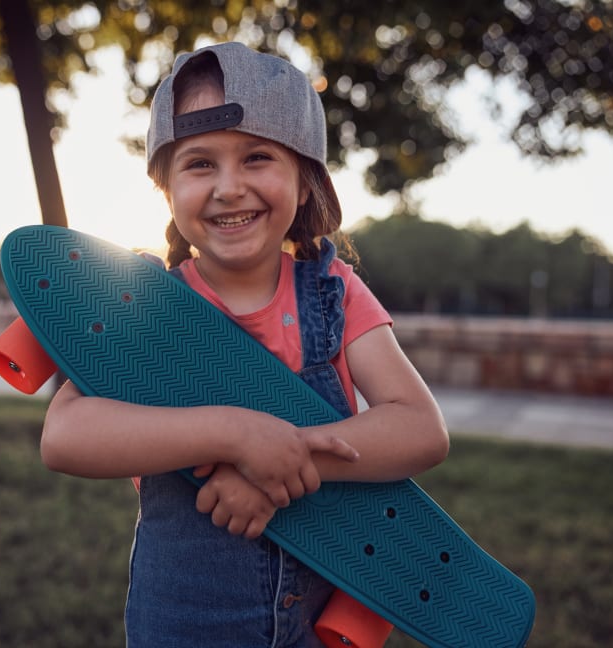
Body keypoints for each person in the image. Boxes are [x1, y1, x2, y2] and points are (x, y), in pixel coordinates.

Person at [41, 42, 449, 647]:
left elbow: (420, 429)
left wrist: (285, 459)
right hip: (180, 624)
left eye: (257, 158)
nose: (229, 188)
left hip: (313, 622)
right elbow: (65, 436)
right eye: (199, 164)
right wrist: (232, 435)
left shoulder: (334, 292)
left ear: (305, 182)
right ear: (168, 192)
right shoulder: (149, 306)